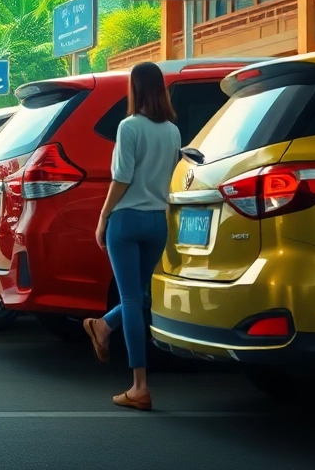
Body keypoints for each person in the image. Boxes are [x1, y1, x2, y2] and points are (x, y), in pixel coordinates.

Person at [82, 62, 181, 411]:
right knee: (139, 297)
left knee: (132, 298)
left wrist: (103, 216)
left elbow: (121, 177)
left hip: (126, 220)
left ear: (135, 89)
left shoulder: (129, 127)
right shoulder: (173, 131)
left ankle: (140, 386)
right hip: (157, 221)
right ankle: (103, 327)